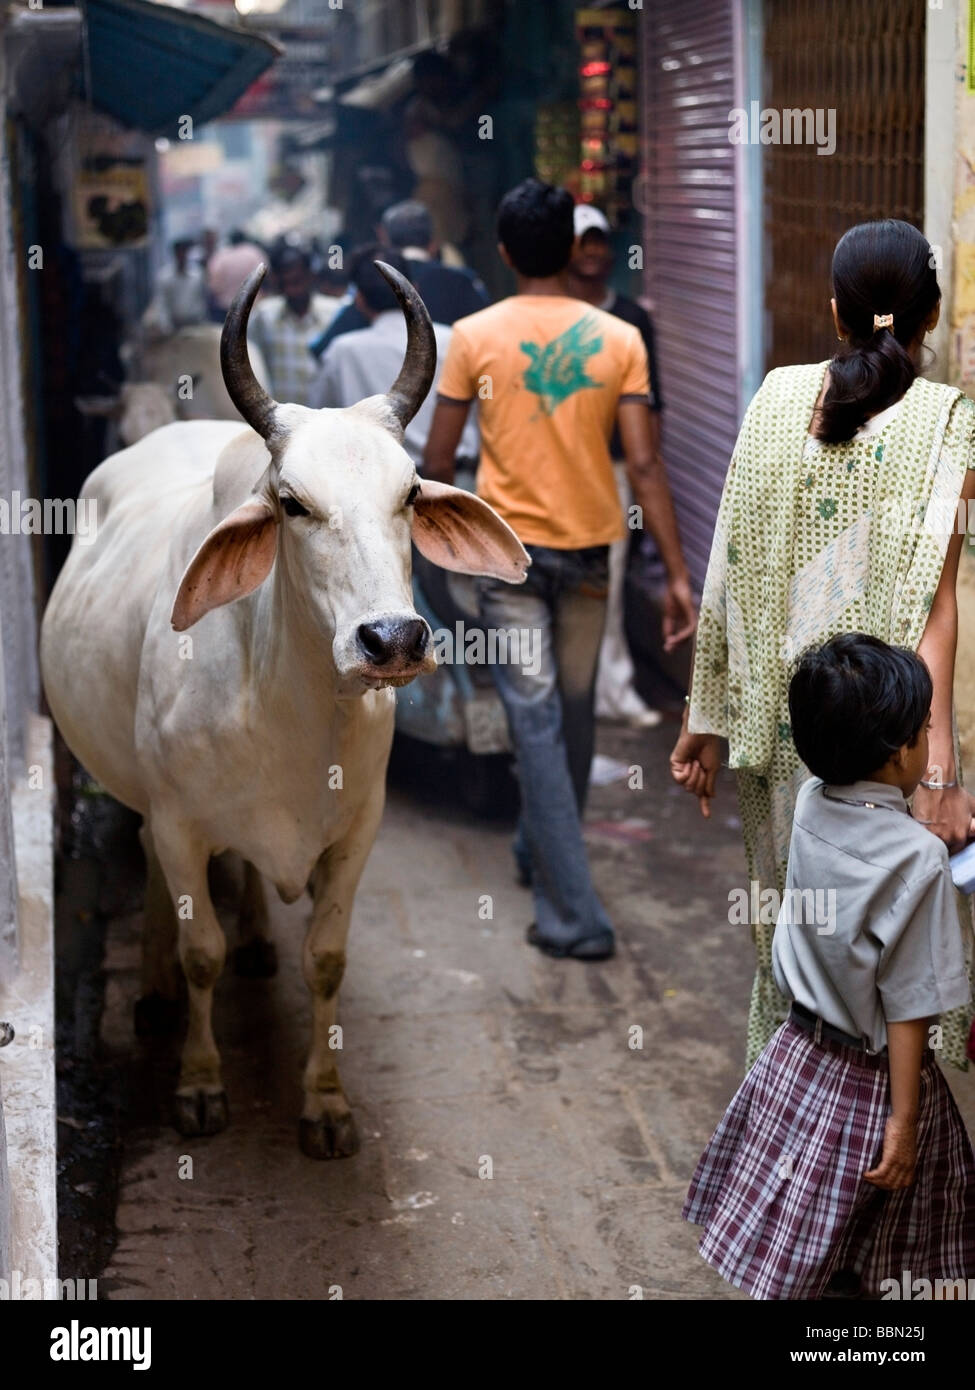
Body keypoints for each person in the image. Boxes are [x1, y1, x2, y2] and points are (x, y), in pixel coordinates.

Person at [671, 219, 975, 1070]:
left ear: (834, 309)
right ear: (932, 315)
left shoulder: (773, 397)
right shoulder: (948, 425)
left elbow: (725, 560)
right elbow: (934, 611)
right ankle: (880, 1142)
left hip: (782, 735)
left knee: (794, 951)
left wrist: (704, 714)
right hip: (887, 751)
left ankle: (795, 1126)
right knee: (890, 963)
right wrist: (941, 776)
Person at [424, 178, 696, 961]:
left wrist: (439, 562)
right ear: (572, 252)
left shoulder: (471, 336)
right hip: (589, 557)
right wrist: (677, 573)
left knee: (540, 724)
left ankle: (571, 914)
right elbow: (644, 466)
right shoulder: (620, 337)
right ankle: (537, 852)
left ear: (504, 252)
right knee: (568, 717)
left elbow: (440, 463)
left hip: (505, 560)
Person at [684, 634, 975, 1300]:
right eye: (926, 730)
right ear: (902, 751)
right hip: (873, 1085)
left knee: (815, 1229)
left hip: (796, 1057)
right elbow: (908, 1004)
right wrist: (902, 1125)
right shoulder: (919, 862)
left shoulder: (813, 797)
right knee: (884, 1236)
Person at [566, 203, 665, 728]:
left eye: (599, 241)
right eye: (582, 242)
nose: (592, 252)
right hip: (555, 473)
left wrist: (649, 484)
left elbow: (653, 410)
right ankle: (575, 691)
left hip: (615, 471)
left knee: (611, 579)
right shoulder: (550, 318)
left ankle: (613, 688)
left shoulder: (632, 320)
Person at [309, 248, 478, 469]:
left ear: (359, 300)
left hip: (374, 485)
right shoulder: (456, 340)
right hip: (457, 480)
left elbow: (319, 420)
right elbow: (484, 406)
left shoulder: (341, 352)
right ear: (414, 289)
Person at [310, 201, 488, 360]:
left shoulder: (377, 280)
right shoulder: (465, 282)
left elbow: (322, 349)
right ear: (433, 244)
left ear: (385, 241)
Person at [248, 242, 339, 406]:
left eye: (297, 282)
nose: (292, 290)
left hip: (325, 417)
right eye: (285, 284)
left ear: (310, 276)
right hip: (281, 419)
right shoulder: (264, 316)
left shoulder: (333, 314)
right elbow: (252, 362)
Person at [143, 238, 207, 336]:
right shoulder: (165, 277)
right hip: (174, 326)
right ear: (175, 254)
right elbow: (162, 303)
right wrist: (166, 327)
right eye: (179, 252)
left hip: (194, 325)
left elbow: (201, 300)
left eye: (184, 252)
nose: (182, 255)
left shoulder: (197, 275)